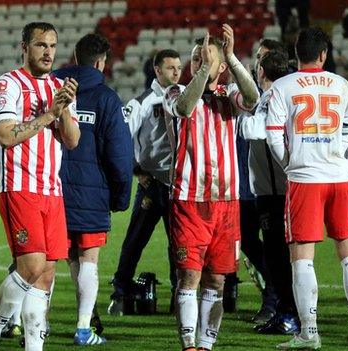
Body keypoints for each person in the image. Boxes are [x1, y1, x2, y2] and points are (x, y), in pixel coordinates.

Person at [266, 27, 348, 349]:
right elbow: (346, 131)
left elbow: (273, 134)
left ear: (295, 53)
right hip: (340, 178)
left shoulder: (282, 86)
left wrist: (290, 163)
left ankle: (309, 333)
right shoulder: (341, 84)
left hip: (305, 180)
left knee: (302, 258)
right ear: (324, 54)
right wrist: (335, 157)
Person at [0, 21, 80, 351]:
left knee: (46, 274)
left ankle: (33, 348)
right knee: (31, 266)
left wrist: (62, 112)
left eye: (52, 45)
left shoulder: (61, 86)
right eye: (40, 45)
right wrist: (50, 114)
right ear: (24, 47)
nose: (48, 52)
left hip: (53, 190)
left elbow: (73, 140)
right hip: (21, 187)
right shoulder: (7, 85)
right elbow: (5, 136)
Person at [163, 25, 259, 351]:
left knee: (216, 279)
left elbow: (253, 98)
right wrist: (205, 69)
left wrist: (230, 57)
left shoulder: (226, 95)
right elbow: (185, 108)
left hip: (227, 201)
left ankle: (206, 345)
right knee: (189, 276)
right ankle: (189, 345)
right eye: (195, 57)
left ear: (222, 67)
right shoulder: (176, 91)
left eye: (206, 57)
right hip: (189, 199)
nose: (197, 61)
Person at [53, 33, 133, 345]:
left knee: (50, 261)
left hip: (50, 192)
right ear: (100, 63)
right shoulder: (107, 99)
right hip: (91, 196)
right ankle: (84, 328)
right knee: (88, 258)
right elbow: (120, 156)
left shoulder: (51, 89)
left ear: (75, 58)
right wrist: (120, 197)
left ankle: (31, 327)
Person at [109, 49, 182, 315]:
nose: (176, 72)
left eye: (178, 67)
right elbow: (120, 138)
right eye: (170, 67)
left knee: (179, 244)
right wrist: (136, 170)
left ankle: (180, 294)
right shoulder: (141, 102)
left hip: (178, 184)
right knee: (135, 240)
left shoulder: (185, 96)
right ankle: (120, 291)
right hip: (152, 184)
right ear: (157, 70)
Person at [240, 46, 301, 335]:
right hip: (276, 188)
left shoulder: (273, 97)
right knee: (279, 255)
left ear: (261, 71)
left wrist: (234, 110)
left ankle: (290, 314)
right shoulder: (281, 94)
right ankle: (287, 311)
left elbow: (254, 129)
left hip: (276, 192)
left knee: (279, 256)